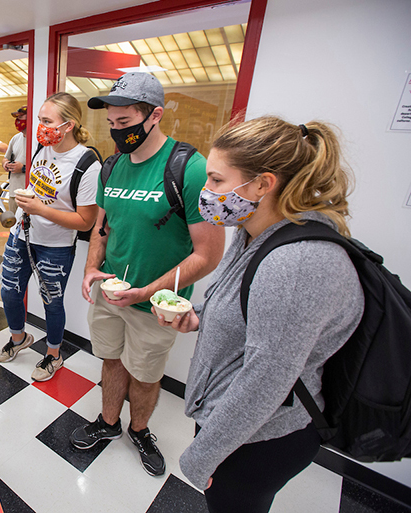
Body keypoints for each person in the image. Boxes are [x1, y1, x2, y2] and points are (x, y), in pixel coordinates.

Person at [155, 116, 363, 512]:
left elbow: (264, 383)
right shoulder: (254, 230)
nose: (206, 190)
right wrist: (197, 315)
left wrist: (202, 455)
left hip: (258, 437)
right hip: (232, 422)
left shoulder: (296, 265)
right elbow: (246, 311)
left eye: (216, 180)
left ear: (263, 184)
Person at [71, 72, 225, 476]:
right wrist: (91, 269)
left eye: (124, 124)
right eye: (111, 124)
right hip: (110, 292)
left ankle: (139, 429)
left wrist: (145, 293)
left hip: (156, 304)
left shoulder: (189, 169)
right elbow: (102, 227)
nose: (117, 132)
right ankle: (108, 423)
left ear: (154, 116)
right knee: (110, 360)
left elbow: (208, 255)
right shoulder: (112, 166)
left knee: (145, 374)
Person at [0, 92, 100, 382]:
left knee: (52, 302)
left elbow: (85, 221)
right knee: (9, 291)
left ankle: (54, 355)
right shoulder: (42, 148)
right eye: (39, 120)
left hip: (55, 246)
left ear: (68, 125)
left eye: (46, 121)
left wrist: (40, 208)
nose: (39, 127)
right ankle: (19, 339)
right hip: (22, 233)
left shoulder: (88, 164)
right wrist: (28, 203)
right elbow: (39, 185)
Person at [3, 106, 28, 214]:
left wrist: (23, 169)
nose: (18, 121)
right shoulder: (15, 138)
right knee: (13, 225)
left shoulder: (37, 140)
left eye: (21, 117)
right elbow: (5, 158)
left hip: (29, 194)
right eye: (17, 117)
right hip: (14, 192)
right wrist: (6, 164)